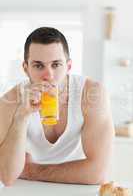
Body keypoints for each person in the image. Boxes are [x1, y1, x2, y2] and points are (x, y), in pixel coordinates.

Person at [0, 27, 114, 186]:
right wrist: (21, 116)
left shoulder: (91, 94)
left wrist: (31, 171)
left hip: (78, 188)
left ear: (68, 66)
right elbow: (7, 176)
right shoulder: (10, 101)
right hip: (28, 190)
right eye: (38, 66)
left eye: (56, 65)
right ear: (25, 68)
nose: (48, 76)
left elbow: (98, 173)